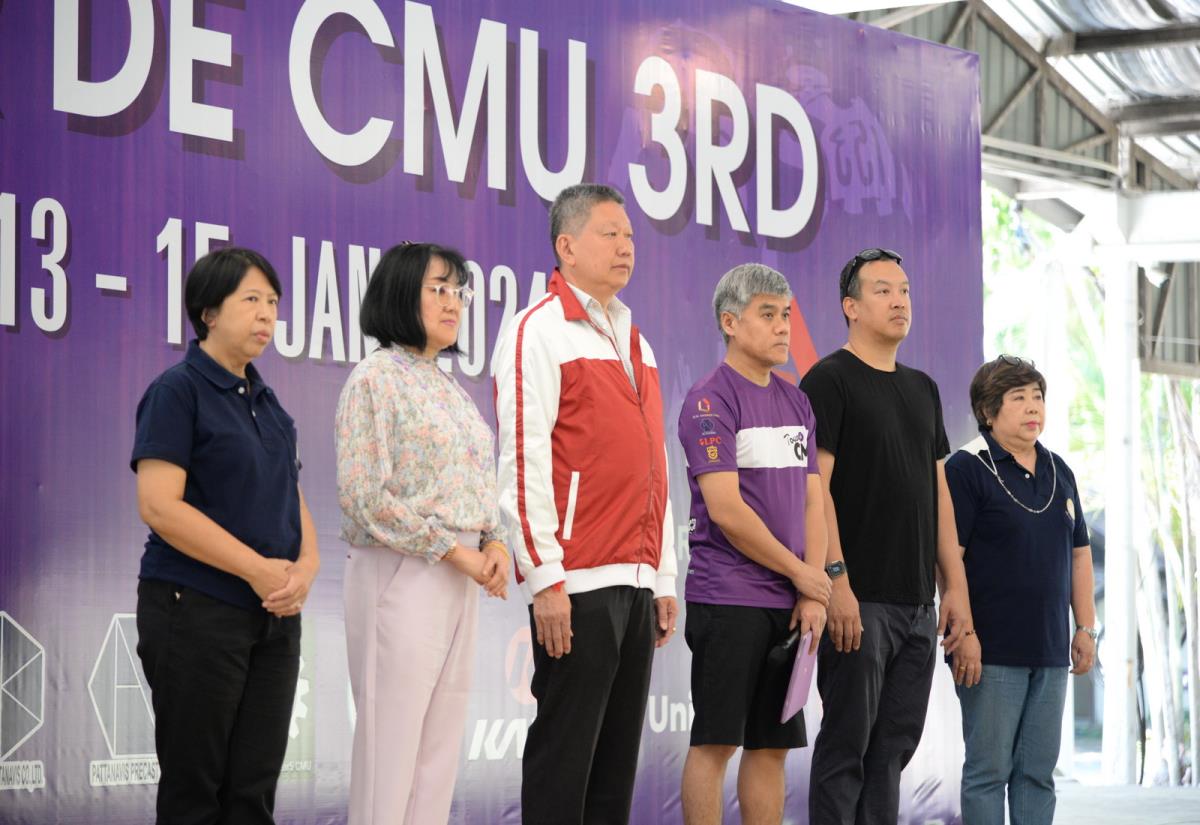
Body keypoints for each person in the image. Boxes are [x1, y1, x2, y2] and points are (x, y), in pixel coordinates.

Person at [494, 183, 678, 825]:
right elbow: (522, 464)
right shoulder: (537, 330)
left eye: (629, 236)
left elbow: (655, 466)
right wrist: (545, 578)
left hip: (636, 582)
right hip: (575, 583)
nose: (626, 246)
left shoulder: (637, 342)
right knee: (564, 762)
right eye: (610, 234)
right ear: (566, 247)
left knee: (613, 774)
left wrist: (662, 576)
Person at [132, 247, 320, 825]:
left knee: (252, 793)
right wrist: (256, 569)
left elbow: (292, 497)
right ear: (209, 312)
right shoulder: (178, 390)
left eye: (273, 302)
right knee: (196, 793)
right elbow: (159, 506)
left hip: (273, 618)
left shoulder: (270, 404)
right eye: (251, 300)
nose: (267, 314)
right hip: (195, 608)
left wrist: (306, 568)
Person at [800, 248, 980, 825]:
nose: (899, 301)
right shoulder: (828, 379)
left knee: (891, 754)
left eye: (904, 290)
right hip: (859, 600)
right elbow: (815, 490)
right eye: (882, 290)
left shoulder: (922, 388)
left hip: (916, 606)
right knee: (846, 749)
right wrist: (836, 581)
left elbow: (939, 496)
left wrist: (955, 589)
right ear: (850, 307)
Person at [335, 242, 509, 825]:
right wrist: (454, 551)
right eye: (437, 289)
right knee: (391, 752)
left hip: (460, 571)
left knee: (437, 755)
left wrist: (494, 541)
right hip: (403, 569)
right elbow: (364, 497)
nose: (452, 302)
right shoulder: (375, 379)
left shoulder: (449, 386)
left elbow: (478, 483)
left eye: (458, 291)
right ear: (399, 294)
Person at [677, 264, 832, 825]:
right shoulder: (709, 400)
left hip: (790, 601)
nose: (783, 326)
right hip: (729, 597)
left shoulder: (797, 402)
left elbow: (814, 502)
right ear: (730, 322)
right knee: (717, 743)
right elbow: (727, 511)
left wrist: (811, 589)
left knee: (771, 748)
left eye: (786, 314)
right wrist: (803, 574)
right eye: (768, 314)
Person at [945, 356, 1096, 825]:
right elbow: (948, 560)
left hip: (1050, 650)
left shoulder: (1059, 470)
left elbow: (1080, 555)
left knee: (1037, 776)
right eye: (1019, 398)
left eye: (1038, 397)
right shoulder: (966, 468)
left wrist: (1086, 627)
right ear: (988, 411)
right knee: (988, 773)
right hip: (988, 651)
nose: (1034, 407)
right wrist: (964, 634)